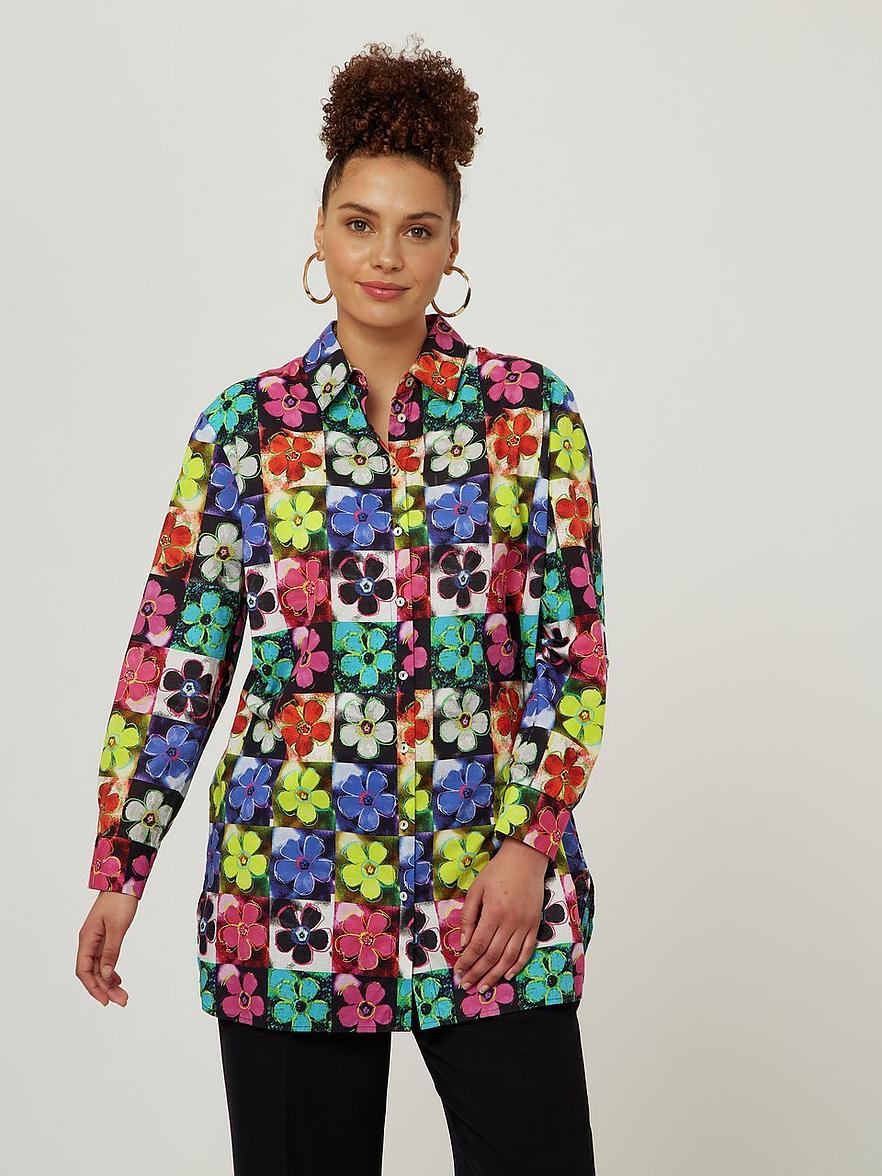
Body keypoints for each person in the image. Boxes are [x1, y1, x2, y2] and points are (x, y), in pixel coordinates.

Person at [76, 35, 609, 1176]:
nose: (387, 256)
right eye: (361, 223)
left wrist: (529, 846)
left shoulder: (531, 416)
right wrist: (123, 863)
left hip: (491, 899)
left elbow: (573, 652)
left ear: (454, 246)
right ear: (319, 234)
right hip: (289, 898)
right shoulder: (244, 429)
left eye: (418, 229)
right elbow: (178, 659)